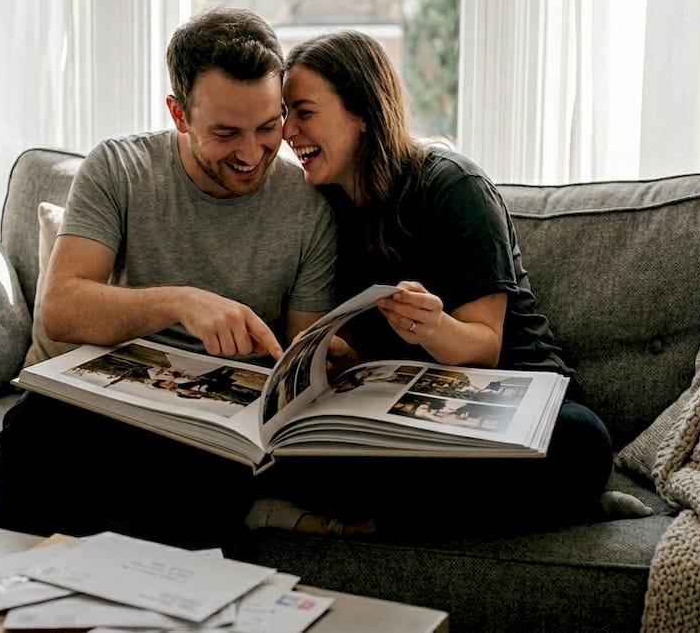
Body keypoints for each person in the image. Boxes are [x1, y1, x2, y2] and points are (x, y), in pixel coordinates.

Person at [250, 30, 646, 534]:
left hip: (506, 396)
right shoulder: (325, 208)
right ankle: (549, 511)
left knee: (581, 443)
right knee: (290, 449)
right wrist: (342, 356)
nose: (288, 133)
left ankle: (361, 525)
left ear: (363, 114)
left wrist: (432, 327)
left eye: (304, 112)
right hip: (407, 414)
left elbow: (484, 346)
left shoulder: (453, 187)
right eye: (286, 116)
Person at [0, 8, 338, 547]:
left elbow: (299, 358)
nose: (251, 154)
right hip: (106, 404)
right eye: (225, 133)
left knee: (201, 475)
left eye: (268, 127)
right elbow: (60, 309)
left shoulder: (308, 205)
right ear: (179, 114)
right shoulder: (119, 168)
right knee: (34, 428)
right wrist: (180, 301)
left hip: (217, 426)